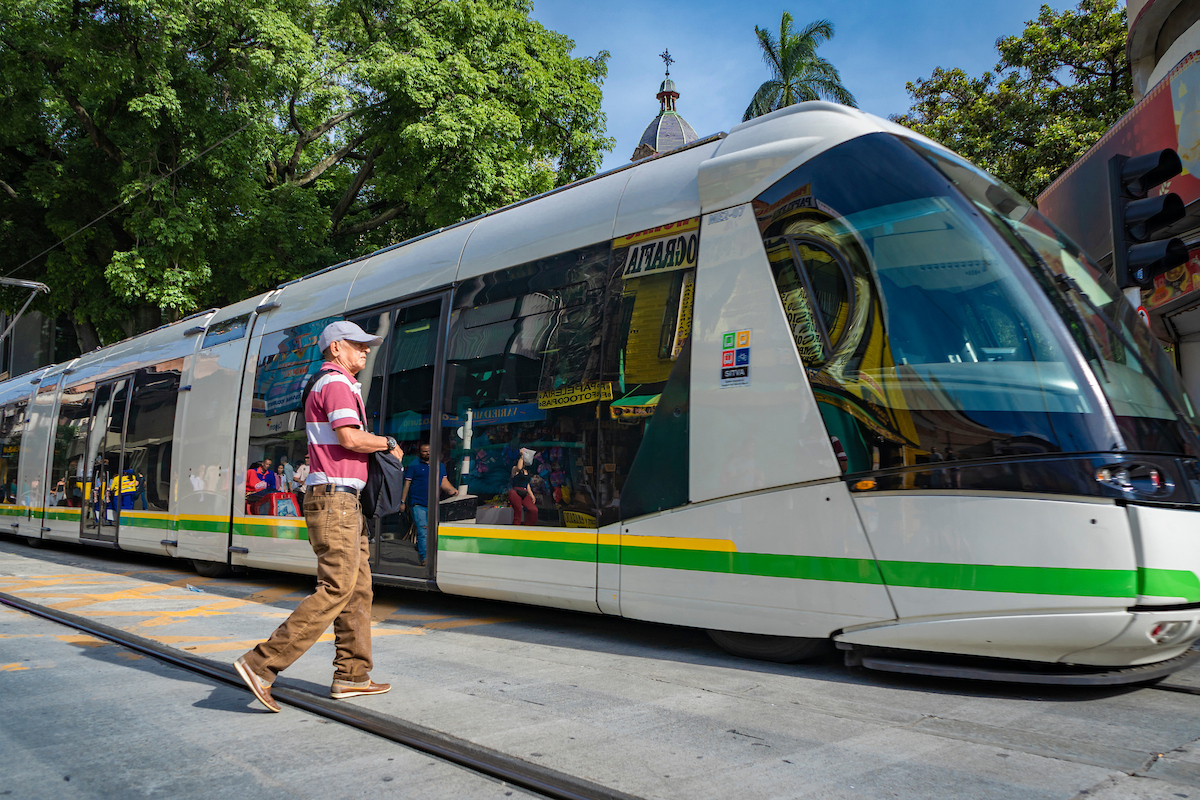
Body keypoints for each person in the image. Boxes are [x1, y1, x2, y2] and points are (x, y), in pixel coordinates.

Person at [235, 320, 403, 713]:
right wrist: (389, 443)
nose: (364, 351)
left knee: (358, 590)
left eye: (366, 345)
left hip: (343, 502)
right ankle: (260, 664)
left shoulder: (335, 383)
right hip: (335, 502)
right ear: (335, 349)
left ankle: (352, 676)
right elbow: (350, 438)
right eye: (357, 345)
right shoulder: (336, 384)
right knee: (337, 588)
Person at [398, 442, 454, 565]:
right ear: (420, 453)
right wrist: (402, 502)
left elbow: (444, 481)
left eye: (429, 451)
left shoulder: (440, 466)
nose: (428, 453)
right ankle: (425, 558)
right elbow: (407, 484)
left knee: (434, 531)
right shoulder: (413, 465)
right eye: (424, 451)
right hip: (417, 503)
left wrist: (452, 491)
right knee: (423, 531)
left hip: (434, 504)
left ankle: (428, 553)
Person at [509, 448, 537, 525]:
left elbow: (527, 484)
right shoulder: (515, 469)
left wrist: (532, 495)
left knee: (533, 510)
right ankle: (516, 529)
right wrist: (522, 455)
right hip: (515, 491)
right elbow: (519, 467)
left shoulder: (526, 471)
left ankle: (528, 526)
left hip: (524, 491)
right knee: (518, 511)